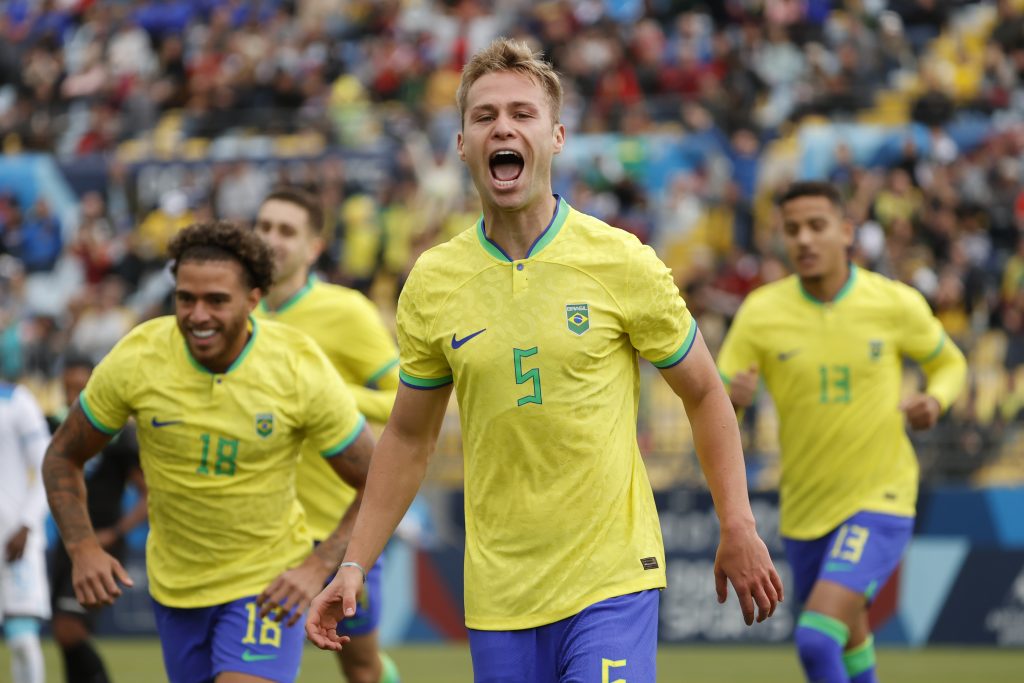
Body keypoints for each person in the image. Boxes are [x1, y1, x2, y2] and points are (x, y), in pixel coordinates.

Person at [306, 38, 782, 683]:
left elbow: (703, 393)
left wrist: (739, 523)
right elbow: (408, 438)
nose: (503, 126)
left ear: (556, 137)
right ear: (462, 144)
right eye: (484, 116)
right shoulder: (434, 281)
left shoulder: (623, 261)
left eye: (523, 114)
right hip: (499, 593)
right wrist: (354, 563)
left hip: (610, 577)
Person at [43, 221, 375, 683]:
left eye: (217, 300)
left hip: (267, 586)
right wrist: (82, 548)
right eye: (186, 298)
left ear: (253, 299)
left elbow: (377, 480)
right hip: (176, 588)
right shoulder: (138, 358)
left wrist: (318, 565)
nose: (198, 315)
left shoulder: (297, 367)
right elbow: (62, 455)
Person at [717, 181, 968, 683]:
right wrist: (734, 402)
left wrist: (935, 401)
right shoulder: (761, 312)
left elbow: (950, 363)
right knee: (848, 640)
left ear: (847, 232)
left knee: (815, 639)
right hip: (805, 510)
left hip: (881, 498)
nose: (805, 240)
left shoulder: (892, 302)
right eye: (792, 230)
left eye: (817, 226)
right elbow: (714, 406)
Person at [253, 186, 400, 683]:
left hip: (340, 523)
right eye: (265, 227)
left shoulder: (348, 311)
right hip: (259, 526)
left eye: (287, 231)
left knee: (360, 667)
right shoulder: (235, 315)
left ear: (314, 247)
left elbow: (405, 398)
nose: (272, 239)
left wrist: (326, 397)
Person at [47, 353, 147, 683]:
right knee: (64, 633)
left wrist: (115, 532)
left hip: (99, 547)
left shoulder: (119, 440)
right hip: (65, 544)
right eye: (67, 389)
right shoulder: (52, 428)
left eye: (81, 389)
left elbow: (149, 495)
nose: (73, 398)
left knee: (68, 628)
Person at [0, 381, 51, 683]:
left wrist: (28, 524)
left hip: (15, 540)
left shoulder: (16, 400)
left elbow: (48, 467)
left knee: (23, 641)